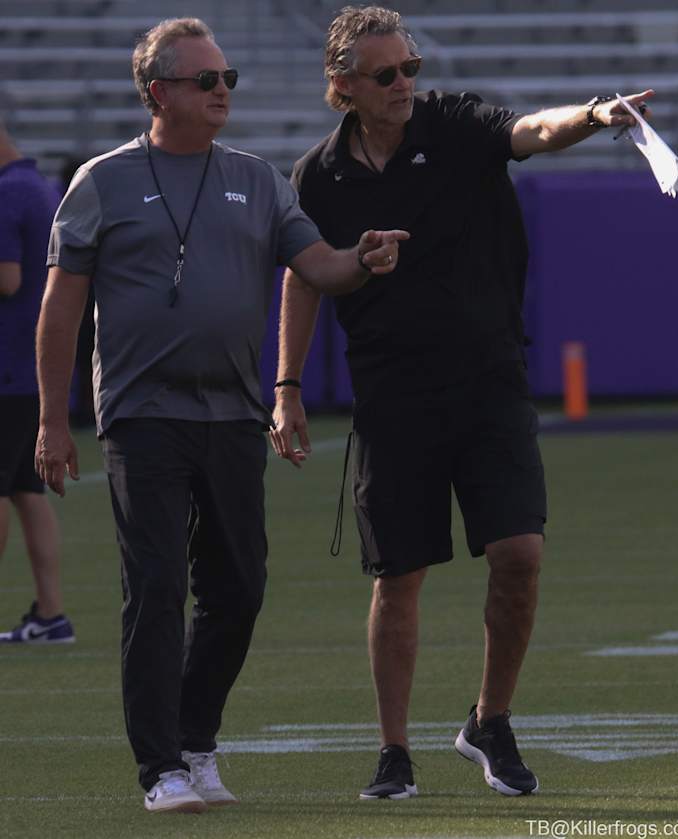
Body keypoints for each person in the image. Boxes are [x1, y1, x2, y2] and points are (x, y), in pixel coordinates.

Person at [270, 5, 653, 800]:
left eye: (410, 67)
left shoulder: (452, 124)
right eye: (386, 75)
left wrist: (592, 114)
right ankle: (393, 748)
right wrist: (287, 386)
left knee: (520, 554)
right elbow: (302, 274)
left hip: (487, 381)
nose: (406, 84)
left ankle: (491, 718)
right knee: (399, 575)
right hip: (392, 396)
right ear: (342, 86)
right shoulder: (318, 174)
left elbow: (533, 133)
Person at [35, 17, 407, 815]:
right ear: (157, 91)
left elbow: (319, 266)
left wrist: (364, 257)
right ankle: (160, 768)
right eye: (206, 81)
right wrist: (50, 420)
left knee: (239, 587)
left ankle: (196, 740)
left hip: (235, 414)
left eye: (227, 78)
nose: (222, 92)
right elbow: (60, 311)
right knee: (157, 583)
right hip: (142, 413)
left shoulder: (259, 178)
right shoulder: (101, 180)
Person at [0, 123, 75, 646]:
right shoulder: (40, 187)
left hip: (5, 367)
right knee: (28, 490)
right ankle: (51, 614)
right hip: (31, 366)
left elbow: (8, 278)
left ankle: (51, 615)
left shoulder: (7, 192)